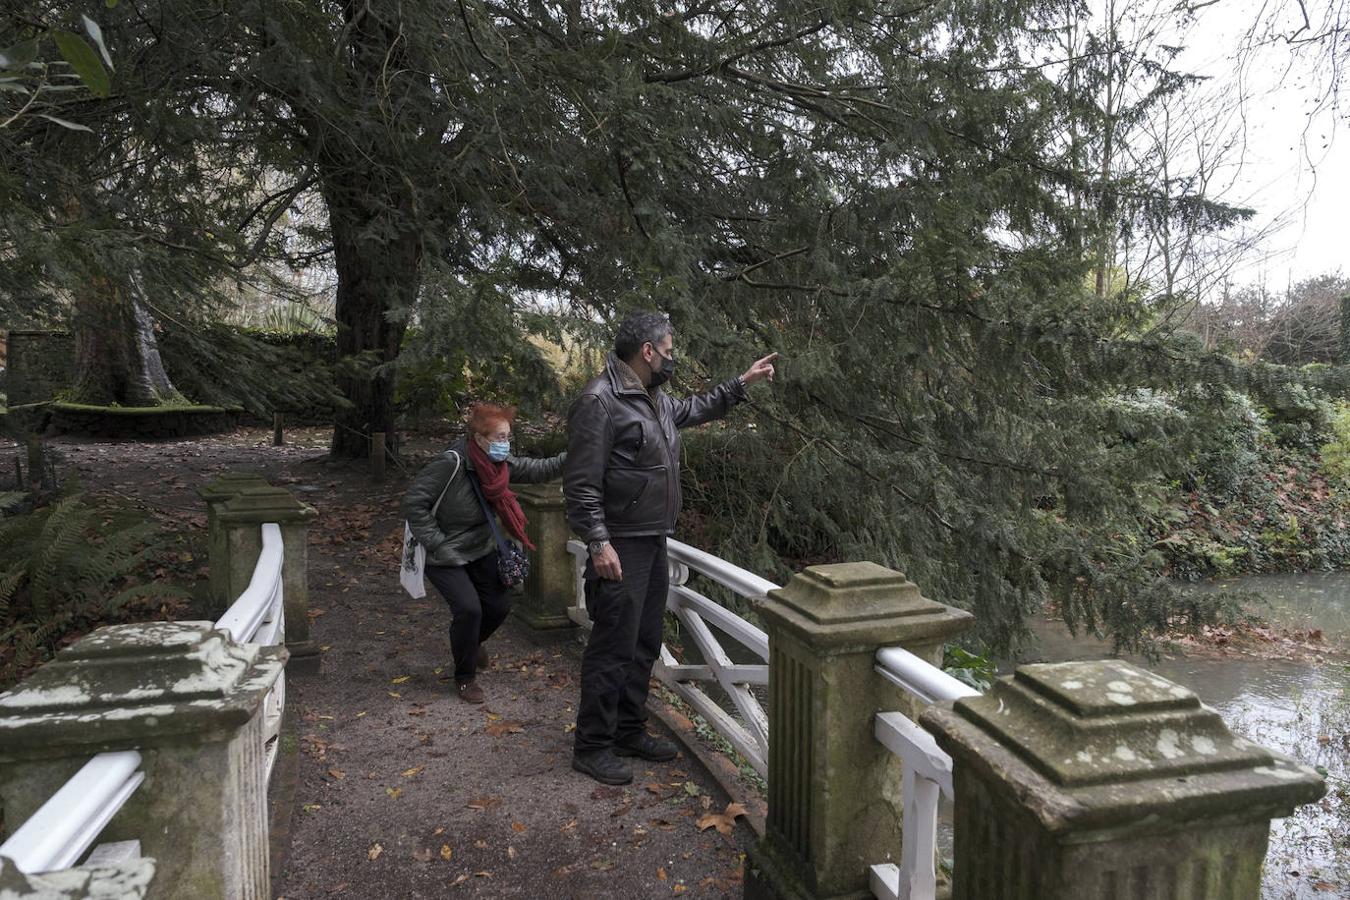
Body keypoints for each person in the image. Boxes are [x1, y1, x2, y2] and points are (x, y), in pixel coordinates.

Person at [564, 311, 777, 785]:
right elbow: (580, 487)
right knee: (612, 646)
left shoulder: (654, 400)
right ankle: (592, 744)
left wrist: (741, 383)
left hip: (652, 539)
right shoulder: (599, 402)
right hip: (619, 543)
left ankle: (628, 730)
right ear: (647, 352)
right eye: (668, 350)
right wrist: (598, 543)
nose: (671, 358)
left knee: (643, 642)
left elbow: (696, 408)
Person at [403, 403, 565, 704]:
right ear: (479, 438)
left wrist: (579, 455)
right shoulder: (450, 463)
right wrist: (436, 541)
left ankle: (471, 641)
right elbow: (414, 502)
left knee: (500, 606)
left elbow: (540, 469)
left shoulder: (498, 465)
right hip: (445, 552)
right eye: (500, 437)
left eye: (508, 437)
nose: (506, 444)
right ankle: (465, 677)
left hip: (480, 547)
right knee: (469, 609)